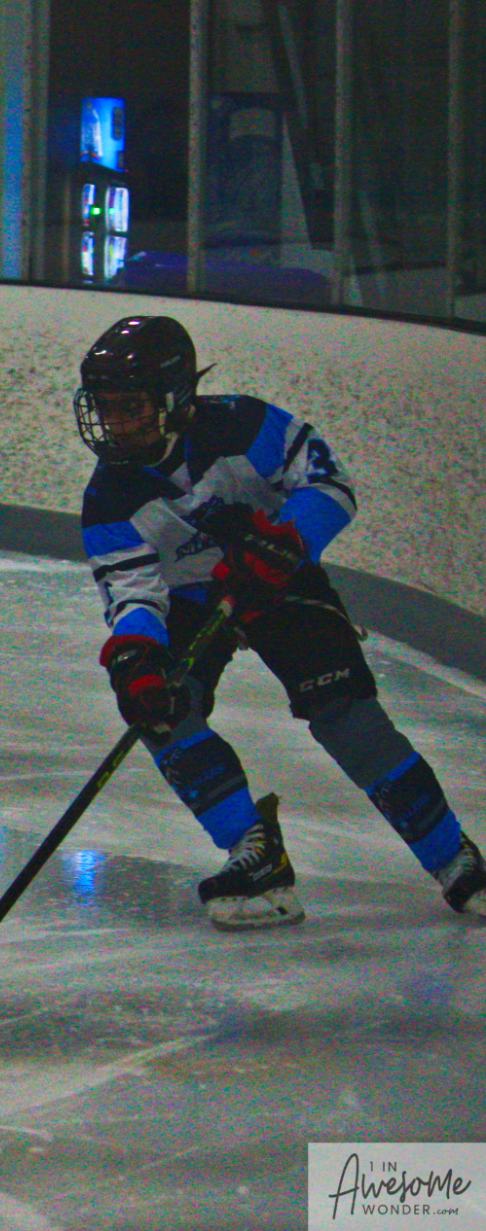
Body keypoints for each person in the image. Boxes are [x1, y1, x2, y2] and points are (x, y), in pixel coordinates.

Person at [74, 314, 485, 930]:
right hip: (191, 600)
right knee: (159, 707)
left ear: (176, 397)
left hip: (278, 578)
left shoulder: (245, 424)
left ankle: (454, 858)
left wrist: (285, 541)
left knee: (346, 717)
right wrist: (138, 657)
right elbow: (135, 596)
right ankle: (255, 851)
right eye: (106, 408)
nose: (116, 423)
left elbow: (330, 484)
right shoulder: (108, 497)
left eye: (131, 406)